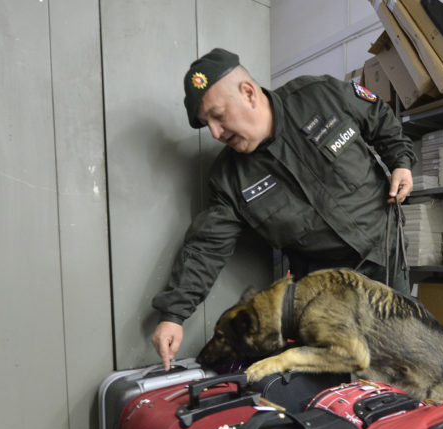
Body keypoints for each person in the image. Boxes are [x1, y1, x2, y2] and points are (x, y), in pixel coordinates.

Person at [151, 48, 416, 370]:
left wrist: (401, 163)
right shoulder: (229, 178)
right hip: (325, 290)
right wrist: (173, 316)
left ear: (248, 92)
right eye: (207, 124)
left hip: (385, 259)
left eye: (218, 116)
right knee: (339, 376)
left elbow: (380, 120)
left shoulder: (320, 96)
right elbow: (207, 247)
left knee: (404, 359)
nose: (216, 133)